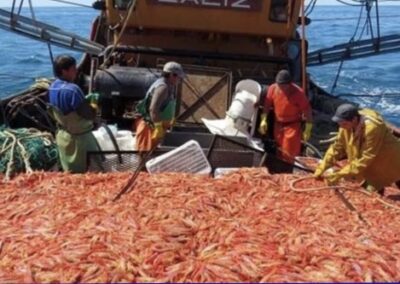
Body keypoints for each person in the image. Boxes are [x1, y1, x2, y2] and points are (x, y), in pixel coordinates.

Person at [314, 103, 400, 195]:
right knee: (372, 187)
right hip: (372, 164)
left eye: (344, 123)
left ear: (354, 119)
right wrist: (323, 166)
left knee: (397, 176)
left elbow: (366, 157)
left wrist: (341, 174)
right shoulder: (345, 127)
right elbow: (337, 147)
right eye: (339, 123)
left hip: (390, 158)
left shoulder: (372, 128)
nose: (341, 126)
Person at [48, 55, 99, 173]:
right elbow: (89, 115)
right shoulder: (73, 89)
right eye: (73, 69)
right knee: (93, 170)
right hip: (80, 139)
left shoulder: (52, 87)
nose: (76, 71)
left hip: (63, 137)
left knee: (69, 171)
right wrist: (94, 104)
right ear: (64, 71)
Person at [258, 69, 313, 164]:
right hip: (278, 125)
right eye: (279, 85)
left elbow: (307, 111)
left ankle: (289, 172)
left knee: (289, 154)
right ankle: (280, 172)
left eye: (284, 85)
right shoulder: (273, 88)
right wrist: (263, 120)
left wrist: (308, 128)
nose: (281, 88)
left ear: (290, 83)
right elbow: (267, 105)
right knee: (278, 150)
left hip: (292, 127)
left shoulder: (299, 93)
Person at [135, 61, 185, 152]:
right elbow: (153, 109)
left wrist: (169, 119)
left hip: (155, 127)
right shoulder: (163, 87)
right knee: (145, 156)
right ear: (172, 75)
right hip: (149, 127)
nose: (180, 80)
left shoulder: (169, 86)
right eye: (179, 77)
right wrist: (158, 126)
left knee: (152, 156)